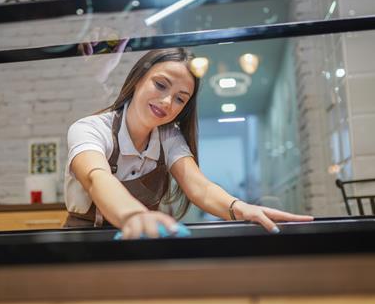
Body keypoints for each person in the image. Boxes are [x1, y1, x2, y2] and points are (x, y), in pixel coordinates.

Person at [64, 47, 313, 239]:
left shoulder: (169, 137)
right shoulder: (89, 128)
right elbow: (98, 178)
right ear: (138, 79)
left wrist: (241, 208)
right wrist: (134, 216)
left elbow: (200, 188)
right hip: (85, 243)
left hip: (140, 242)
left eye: (180, 99)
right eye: (160, 85)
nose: (166, 102)